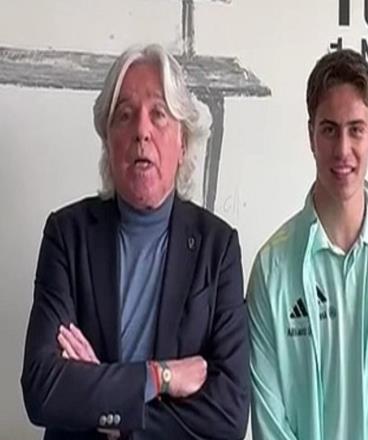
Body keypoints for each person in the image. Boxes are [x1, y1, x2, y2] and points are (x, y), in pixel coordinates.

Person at [21, 43, 249, 440]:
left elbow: (228, 414)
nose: (141, 131)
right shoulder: (67, 235)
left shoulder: (218, 247)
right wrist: (159, 377)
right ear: (108, 142)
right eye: (125, 115)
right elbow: (43, 388)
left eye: (158, 114)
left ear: (182, 142)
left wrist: (115, 411)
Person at [247, 49, 368, 440]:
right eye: (329, 129)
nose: (342, 150)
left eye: (355, 129)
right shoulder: (272, 269)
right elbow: (270, 422)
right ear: (311, 135)